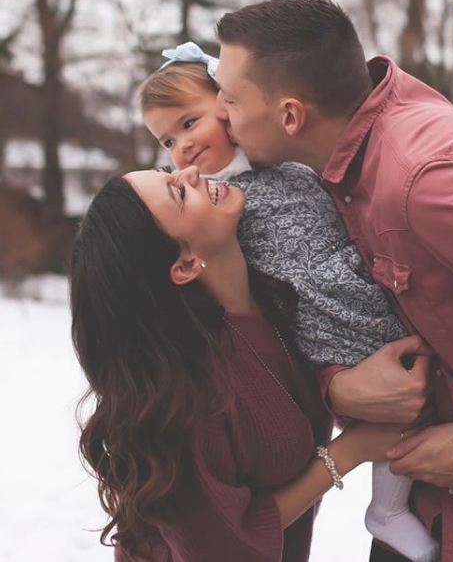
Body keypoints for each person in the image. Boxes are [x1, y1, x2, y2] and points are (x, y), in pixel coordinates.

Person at [213, 0, 453, 562]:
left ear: (291, 115)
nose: (221, 117)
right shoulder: (346, 164)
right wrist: (338, 382)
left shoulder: (427, 182)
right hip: (430, 511)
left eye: (231, 100)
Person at [136, 42, 439, 562]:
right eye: (167, 140)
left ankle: (394, 509)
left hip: (362, 293)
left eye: (189, 123)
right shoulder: (210, 200)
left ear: (230, 108)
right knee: (408, 405)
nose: (181, 151)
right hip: (332, 327)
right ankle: (388, 512)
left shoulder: (286, 166)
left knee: (416, 404)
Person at [70, 164, 407, 562]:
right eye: (178, 192)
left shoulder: (276, 297)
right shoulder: (187, 396)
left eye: (169, 171)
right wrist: (350, 451)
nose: (191, 170)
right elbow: (218, 548)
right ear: (184, 265)